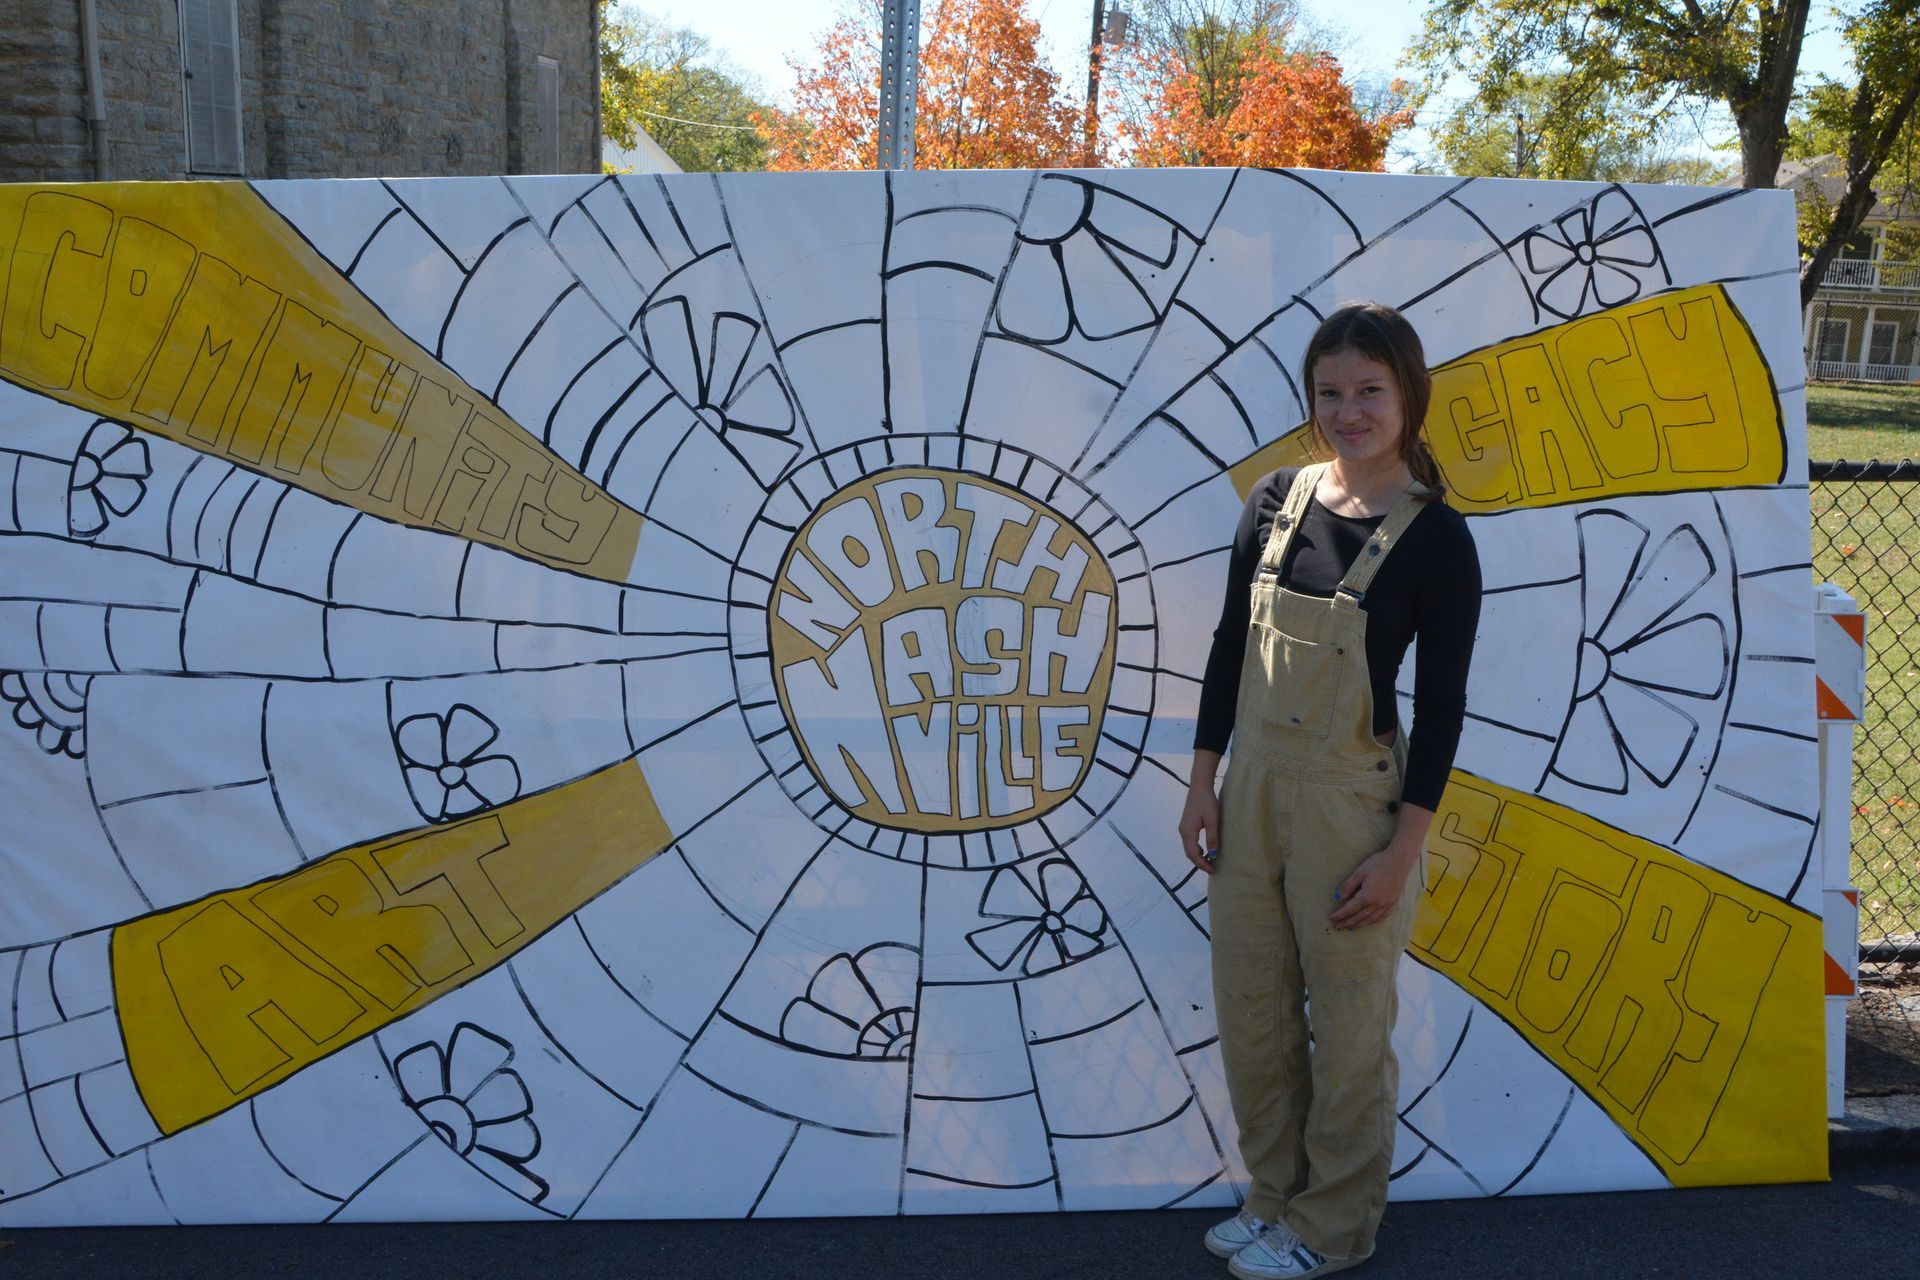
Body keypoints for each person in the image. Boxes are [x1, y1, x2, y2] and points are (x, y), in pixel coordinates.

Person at [1178, 302, 1482, 1279]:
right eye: (1330, 392)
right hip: (1251, 794)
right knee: (1253, 1008)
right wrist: (1203, 782)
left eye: (1370, 391)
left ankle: (1336, 1224)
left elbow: (1442, 709)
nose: (1348, 411)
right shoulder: (1275, 499)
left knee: (1348, 1027)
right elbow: (1229, 647)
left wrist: (1400, 854)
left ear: (1409, 395)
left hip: (1352, 808)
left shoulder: (1438, 539)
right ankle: (1275, 1195)